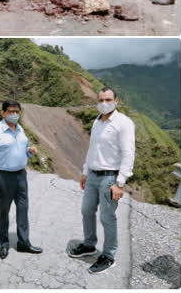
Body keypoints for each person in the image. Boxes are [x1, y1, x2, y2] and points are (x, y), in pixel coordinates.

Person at [68, 87, 135, 274]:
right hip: (93, 175)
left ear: (116, 101)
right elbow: (92, 150)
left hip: (109, 177)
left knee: (107, 217)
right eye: (100, 100)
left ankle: (109, 255)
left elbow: (128, 153)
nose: (104, 103)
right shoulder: (97, 122)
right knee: (86, 210)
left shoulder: (123, 123)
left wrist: (120, 183)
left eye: (108, 99)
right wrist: (84, 172)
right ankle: (89, 244)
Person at [0, 100, 43, 260]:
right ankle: (4, 243)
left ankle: (24, 242)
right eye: (10, 111)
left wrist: (29, 152)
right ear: (2, 113)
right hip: (2, 177)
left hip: (21, 176)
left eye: (17, 111)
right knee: (4, 211)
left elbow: (23, 150)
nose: (14, 114)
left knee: (23, 209)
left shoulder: (21, 129)